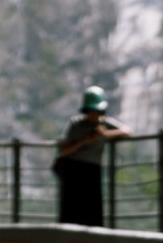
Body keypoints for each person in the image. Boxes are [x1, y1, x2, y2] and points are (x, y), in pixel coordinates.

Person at [55, 85, 131, 227]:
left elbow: (127, 131)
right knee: (71, 210)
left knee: (92, 211)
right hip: (74, 170)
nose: (94, 114)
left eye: (96, 111)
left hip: (92, 170)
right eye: (91, 111)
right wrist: (84, 141)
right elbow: (64, 150)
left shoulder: (105, 124)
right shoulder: (76, 124)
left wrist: (105, 134)